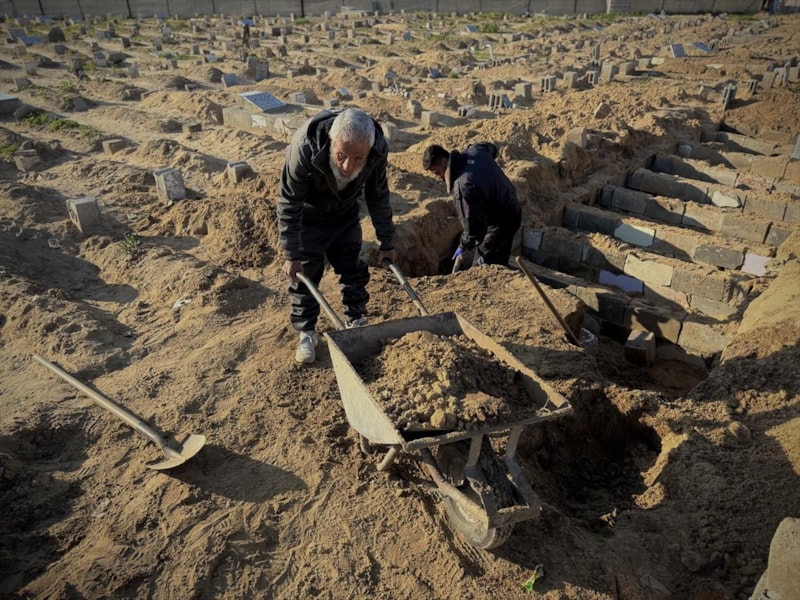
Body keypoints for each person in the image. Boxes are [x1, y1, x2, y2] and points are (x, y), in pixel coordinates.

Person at [278, 108, 397, 364]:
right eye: (341, 155)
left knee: (352, 267)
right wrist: (291, 254)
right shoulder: (305, 148)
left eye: (358, 158)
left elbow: (378, 195)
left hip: (345, 211)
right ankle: (307, 332)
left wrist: (387, 241)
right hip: (309, 214)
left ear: (369, 151)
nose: (347, 166)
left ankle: (355, 318)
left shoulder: (378, 150)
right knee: (306, 274)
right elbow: (289, 202)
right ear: (332, 142)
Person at [423, 142, 522, 269]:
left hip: (501, 222)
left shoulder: (463, 186)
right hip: (512, 205)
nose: (438, 177)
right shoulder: (476, 150)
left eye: (437, 172)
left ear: (444, 162)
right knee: (499, 257)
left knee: (483, 269)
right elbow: (491, 148)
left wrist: (463, 246)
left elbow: (474, 229)